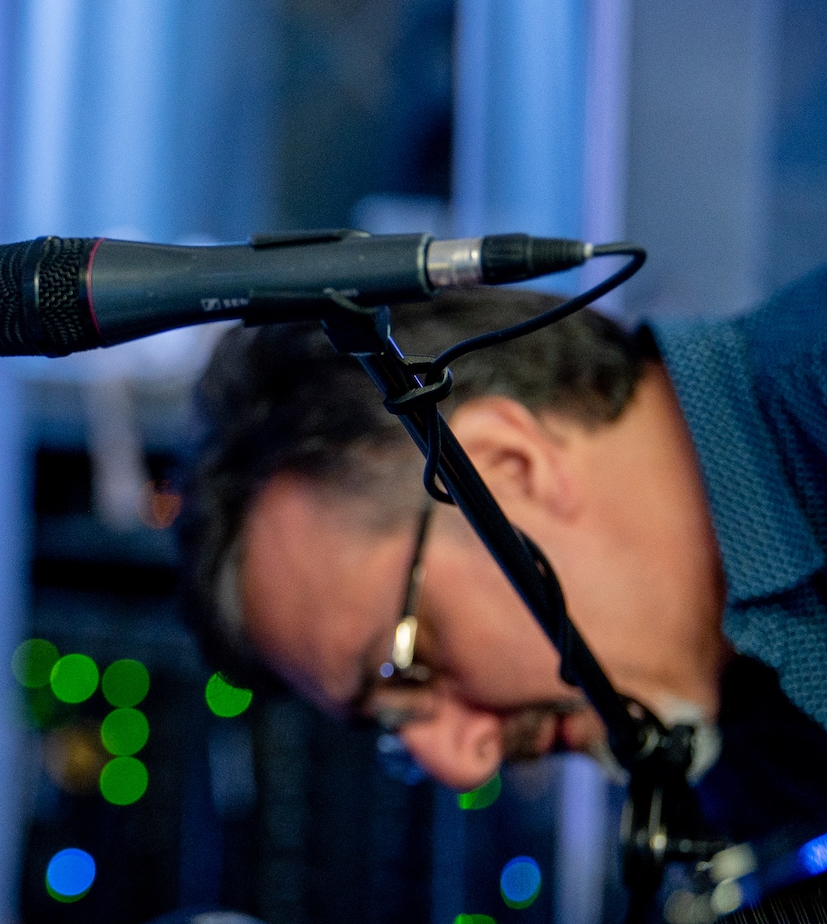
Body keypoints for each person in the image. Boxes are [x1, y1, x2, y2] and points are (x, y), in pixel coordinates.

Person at [183, 272, 827, 851]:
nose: (462, 764)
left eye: (410, 664)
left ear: (507, 467)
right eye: (392, 726)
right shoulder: (740, 770)